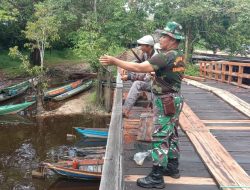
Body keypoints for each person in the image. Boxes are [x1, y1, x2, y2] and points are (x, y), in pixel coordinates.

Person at [99, 21, 185, 189]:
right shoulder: (178, 55)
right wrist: (157, 75)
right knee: (172, 134)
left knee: (160, 137)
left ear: (172, 39)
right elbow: (167, 73)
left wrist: (115, 61)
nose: (160, 38)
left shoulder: (164, 56)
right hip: (174, 98)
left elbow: (138, 67)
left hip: (166, 100)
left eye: (164, 36)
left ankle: (156, 177)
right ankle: (172, 167)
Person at [122, 35, 158, 118]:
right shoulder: (146, 54)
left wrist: (129, 77)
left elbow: (145, 76)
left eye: (142, 45)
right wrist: (126, 67)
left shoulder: (155, 58)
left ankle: (126, 110)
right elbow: (138, 63)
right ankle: (127, 108)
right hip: (149, 79)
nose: (140, 47)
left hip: (157, 84)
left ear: (149, 46)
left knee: (137, 83)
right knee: (134, 75)